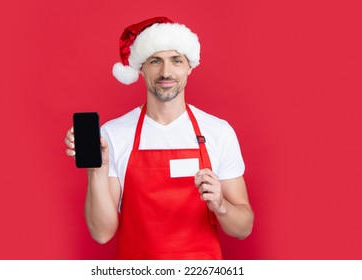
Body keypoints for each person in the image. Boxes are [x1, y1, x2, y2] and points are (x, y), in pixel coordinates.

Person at [65, 16, 254, 260]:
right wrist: (96, 170)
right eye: (155, 61)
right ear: (141, 69)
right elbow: (102, 233)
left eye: (176, 60)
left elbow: (243, 229)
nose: (166, 72)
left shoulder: (218, 131)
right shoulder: (113, 134)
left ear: (189, 67)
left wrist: (221, 205)